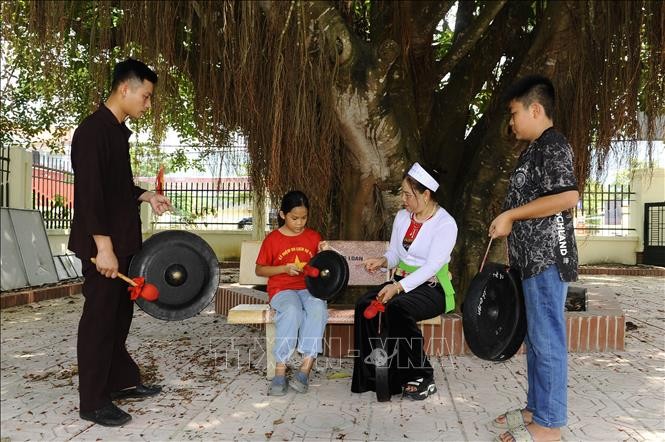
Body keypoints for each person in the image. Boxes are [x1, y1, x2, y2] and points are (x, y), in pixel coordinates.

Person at [68, 58, 172, 426]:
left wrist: (145, 195)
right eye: (145, 96)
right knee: (99, 320)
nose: (148, 104)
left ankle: (121, 381)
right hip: (104, 247)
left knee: (119, 317)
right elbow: (90, 196)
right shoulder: (93, 132)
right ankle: (93, 401)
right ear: (124, 89)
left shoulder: (115, 132)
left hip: (122, 241)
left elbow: (114, 189)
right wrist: (103, 248)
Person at [489, 75, 579, 442]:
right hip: (530, 262)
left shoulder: (553, 144)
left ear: (535, 109)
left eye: (514, 113)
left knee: (548, 339)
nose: (511, 122)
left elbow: (567, 197)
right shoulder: (532, 150)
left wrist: (510, 216)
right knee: (536, 338)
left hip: (547, 259)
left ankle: (550, 425)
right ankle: (535, 409)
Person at [351, 163, 457, 400]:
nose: (403, 199)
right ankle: (375, 376)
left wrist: (397, 287)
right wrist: (382, 261)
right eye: (403, 193)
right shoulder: (402, 217)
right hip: (401, 282)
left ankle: (421, 374)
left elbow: (431, 266)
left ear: (426, 195)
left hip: (432, 287)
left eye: (408, 194)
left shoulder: (445, 224)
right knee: (364, 304)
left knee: (398, 309)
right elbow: (397, 255)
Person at [255, 190, 328, 395]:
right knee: (292, 311)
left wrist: (326, 253)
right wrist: (284, 269)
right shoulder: (273, 239)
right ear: (282, 214)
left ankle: (304, 370)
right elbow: (260, 270)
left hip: (309, 288)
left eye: (304, 218)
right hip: (282, 289)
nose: (299, 223)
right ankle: (280, 370)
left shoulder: (313, 237)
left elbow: (324, 268)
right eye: (294, 218)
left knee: (318, 309)